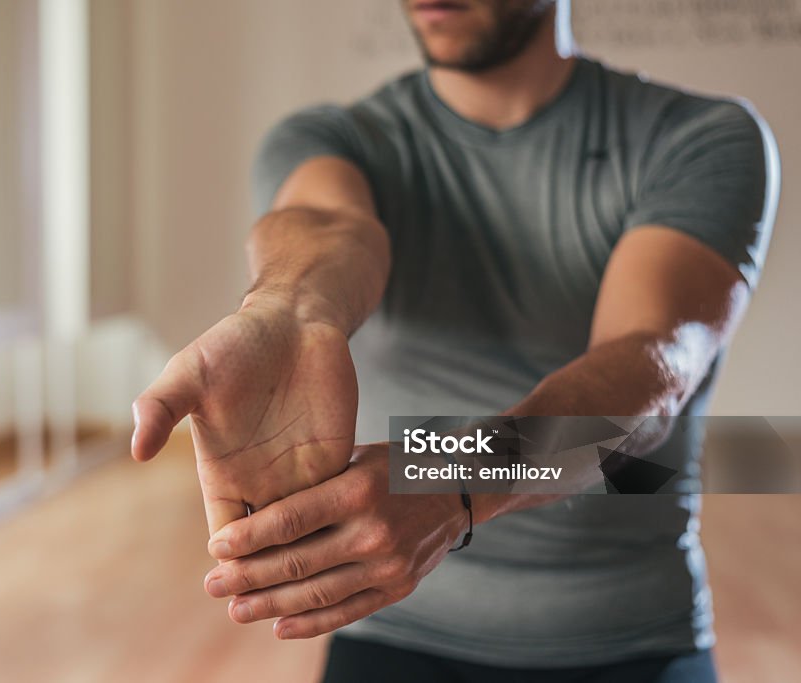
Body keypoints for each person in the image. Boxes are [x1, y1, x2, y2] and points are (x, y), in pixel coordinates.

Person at [131, 1, 778, 681]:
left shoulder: (702, 137)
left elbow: (650, 365)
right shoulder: (332, 140)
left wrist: (451, 479)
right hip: (391, 622)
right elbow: (325, 229)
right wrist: (284, 310)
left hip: (630, 633)